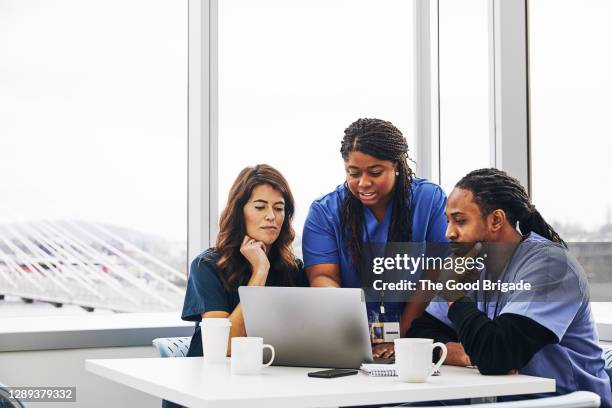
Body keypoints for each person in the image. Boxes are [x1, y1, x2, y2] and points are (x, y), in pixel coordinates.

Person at [407, 168, 612, 406]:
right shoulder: (473, 265)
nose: (448, 233)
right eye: (448, 221)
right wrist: (467, 354)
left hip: (563, 402)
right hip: (503, 401)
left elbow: (496, 356)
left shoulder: (551, 266)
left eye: (460, 221)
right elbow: (421, 333)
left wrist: (454, 294)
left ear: (496, 220)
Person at [302, 118, 448, 358]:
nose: (363, 183)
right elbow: (323, 277)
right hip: (347, 334)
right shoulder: (324, 212)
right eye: (354, 173)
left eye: (375, 172)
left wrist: (403, 338)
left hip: (417, 333)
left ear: (397, 166)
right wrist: (353, 333)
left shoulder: (428, 199)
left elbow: (433, 275)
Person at [181, 164, 308, 358]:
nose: (271, 216)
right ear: (239, 211)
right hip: (212, 380)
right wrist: (260, 272)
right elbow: (225, 347)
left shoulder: (294, 269)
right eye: (259, 207)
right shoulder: (206, 266)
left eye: (279, 208)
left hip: (273, 378)